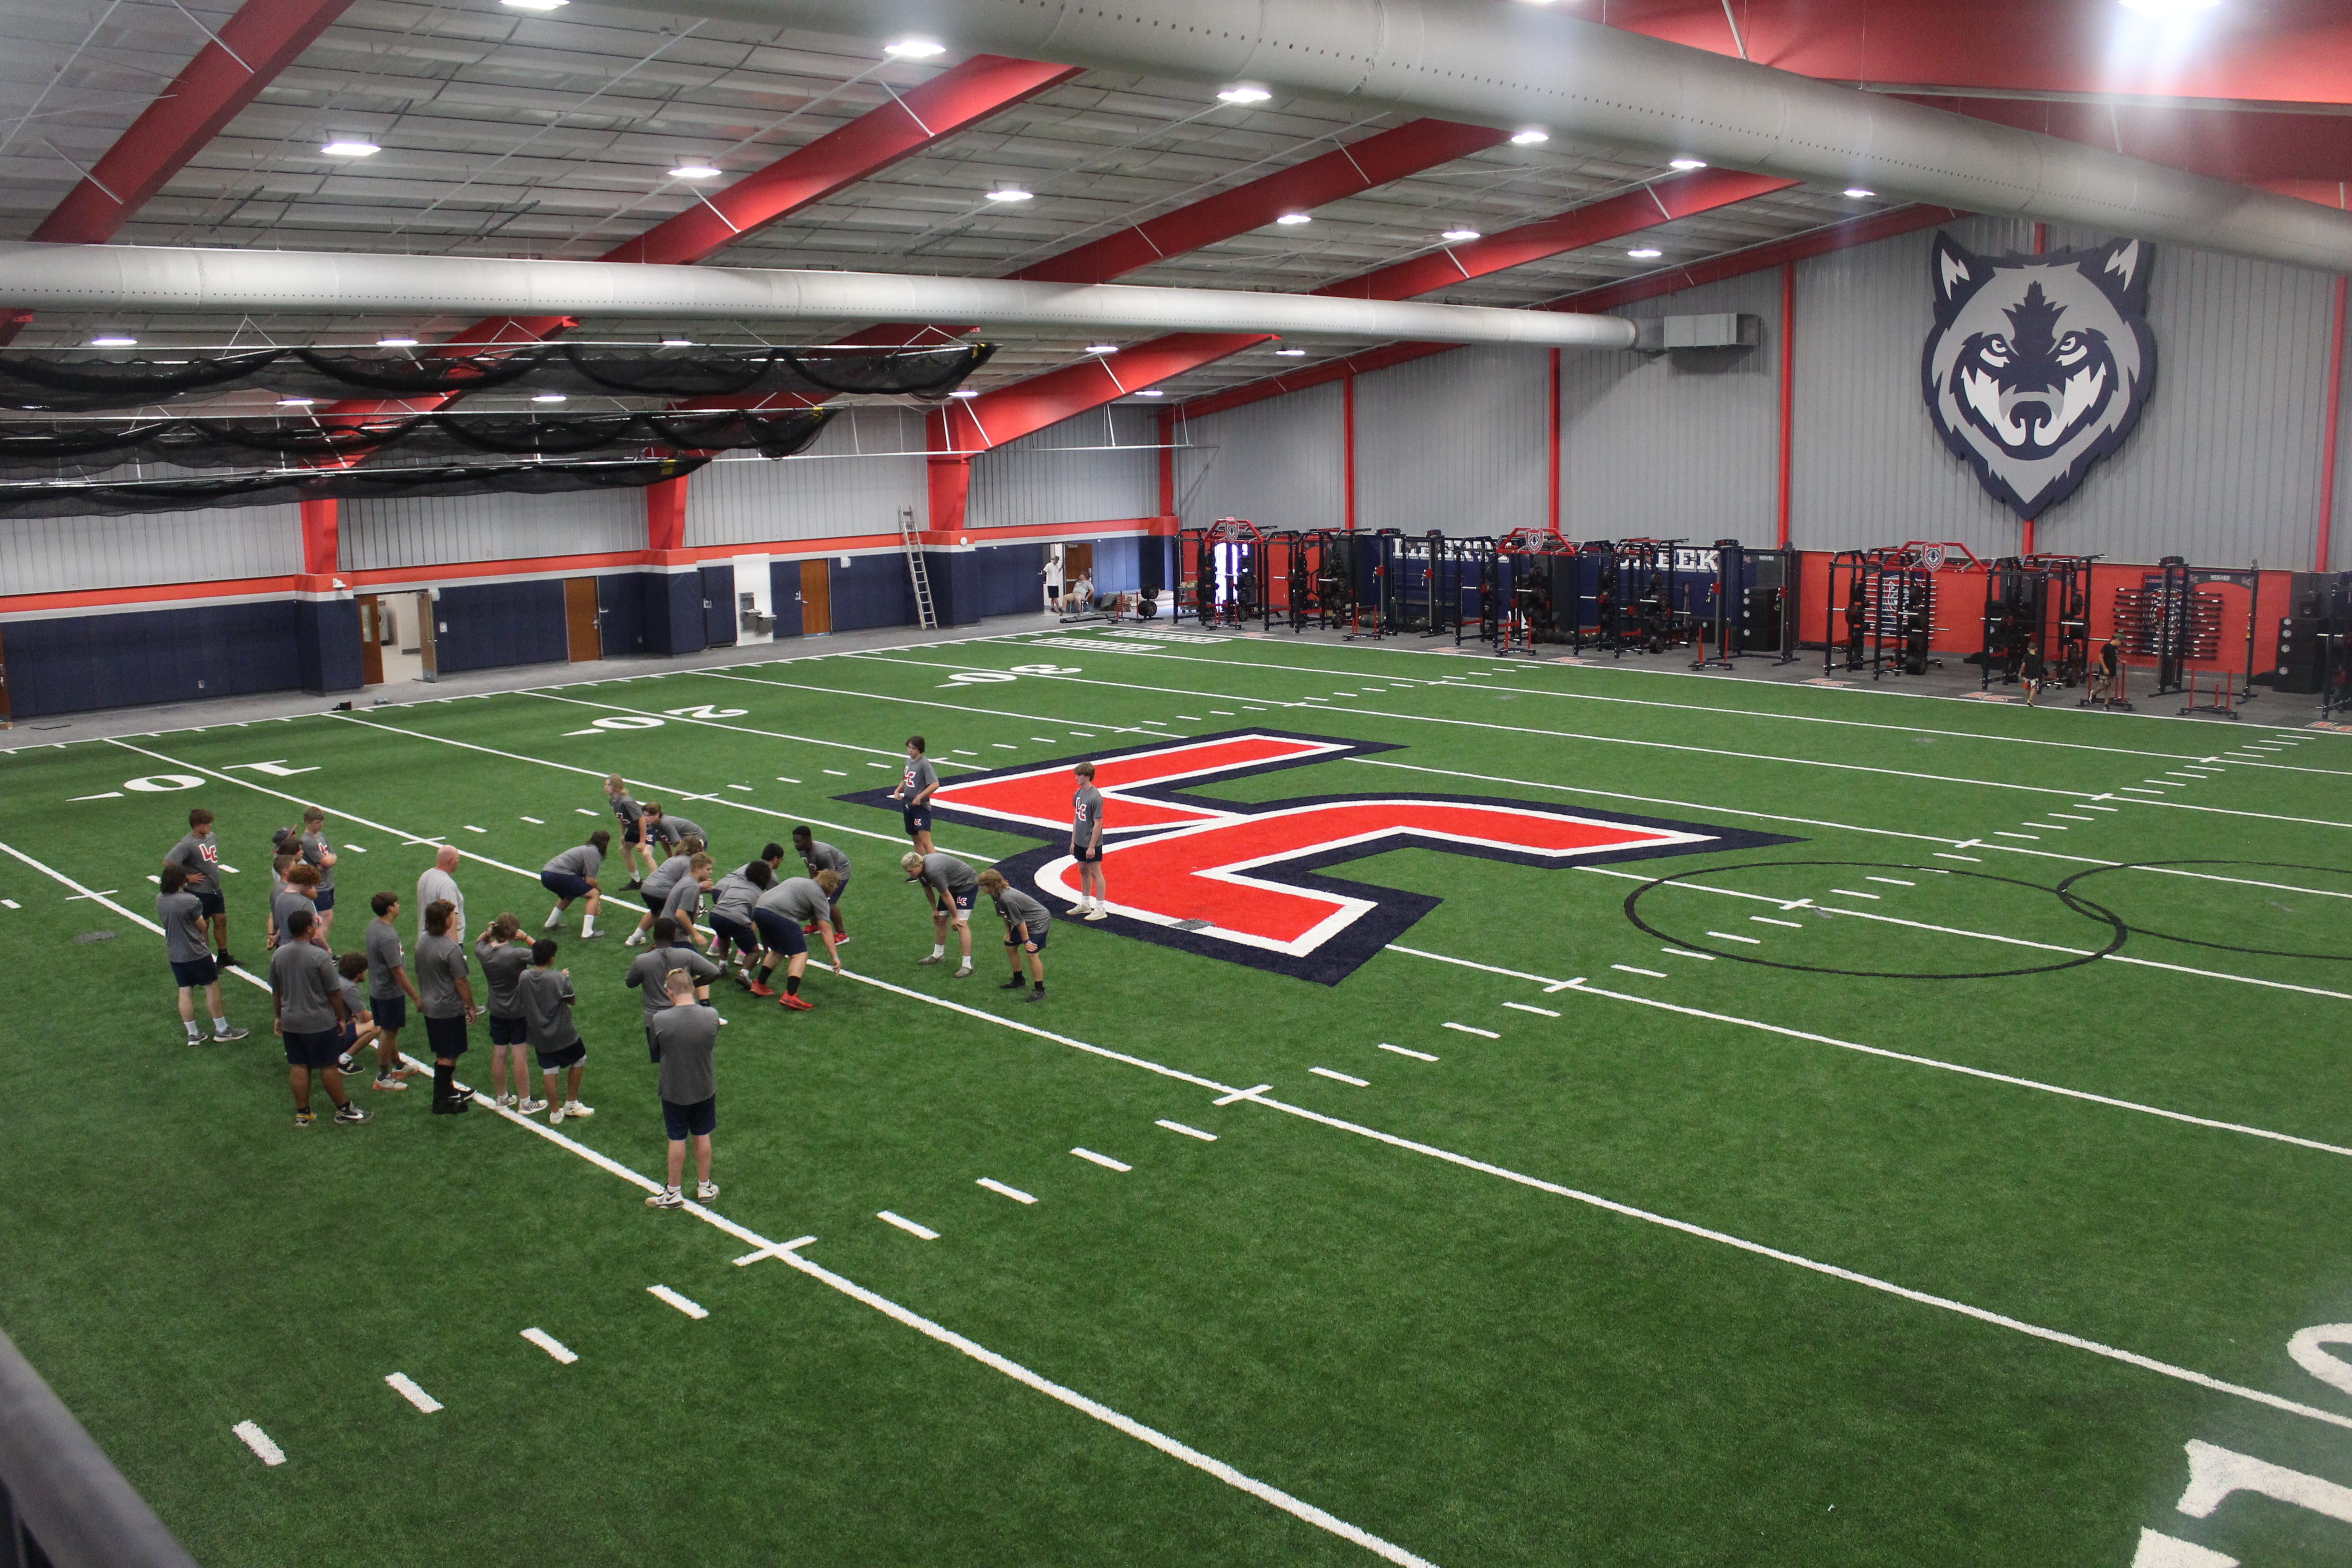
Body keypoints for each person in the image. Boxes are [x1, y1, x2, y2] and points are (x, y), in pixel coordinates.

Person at [271, 908, 368, 1127]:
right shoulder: (319, 956)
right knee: (327, 1065)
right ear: (308, 929)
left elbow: (276, 990)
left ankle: (303, 1114)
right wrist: (340, 1019)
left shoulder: (279, 954)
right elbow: (334, 993)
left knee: (299, 1064)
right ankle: (344, 1109)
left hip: (291, 1019)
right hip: (318, 1021)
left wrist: (279, 1016)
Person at [646, 968, 721, 1210]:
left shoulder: (660, 1020)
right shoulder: (711, 1015)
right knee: (703, 1134)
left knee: (677, 1137)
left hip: (674, 1088)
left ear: (670, 993)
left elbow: (656, 1051)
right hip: (703, 1086)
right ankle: (705, 1186)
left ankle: (673, 1192)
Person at [157, 866, 247, 1044]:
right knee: (211, 986)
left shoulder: (160, 899)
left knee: (185, 990)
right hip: (196, 952)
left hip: (175, 953)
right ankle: (222, 1029)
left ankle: (193, 1033)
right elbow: (202, 927)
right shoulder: (189, 900)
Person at [517, 939, 592, 1125]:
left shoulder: (524, 976)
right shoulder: (559, 979)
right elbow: (572, 1000)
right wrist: (564, 977)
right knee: (579, 1059)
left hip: (538, 1034)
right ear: (552, 959)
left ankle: (555, 1112)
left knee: (549, 1069)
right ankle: (571, 1104)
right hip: (562, 1032)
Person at [475, 913, 544, 1113]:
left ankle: (502, 1098)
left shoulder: (484, 952)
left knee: (499, 1053)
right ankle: (525, 1101)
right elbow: (543, 954)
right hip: (518, 1011)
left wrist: (487, 933)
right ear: (513, 934)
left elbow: (479, 941)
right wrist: (527, 938)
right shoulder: (517, 954)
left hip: (496, 1010)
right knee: (519, 1056)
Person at [626, 916, 721, 1057]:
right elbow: (714, 972)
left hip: (656, 1021)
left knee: (664, 1061)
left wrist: (645, 954)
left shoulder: (643, 960)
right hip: (685, 1016)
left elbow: (630, 982)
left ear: (654, 935)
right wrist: (692, 985)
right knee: (688, 1058)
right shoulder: (687, 955)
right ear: (674, 935)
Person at [415, 897, 476, 1116]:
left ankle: (448, 1091)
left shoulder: (422, 943)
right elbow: (461, 981)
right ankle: (440, 1101)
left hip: (430, 1005)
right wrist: (470, 1006)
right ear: (445, 920)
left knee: (443, 1051)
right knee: (449, 1055)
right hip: (448, 1008)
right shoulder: (451, 949)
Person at [750, 869, 843, 1007]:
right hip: (781, 915)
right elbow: (826, 929)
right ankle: (790, 995)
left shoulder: (798, 880)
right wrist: (835, 957)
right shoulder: (820, 896)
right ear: (831, 887)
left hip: (760, 910)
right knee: (800, 955)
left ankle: (759, 985)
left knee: (778, 950)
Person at [363, 892, 423, 1092]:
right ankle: (383, 1077)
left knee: (391, 1031)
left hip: (377, 988)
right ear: (390, 908)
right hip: (389, 992)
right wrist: (415, 998)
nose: (399, 906)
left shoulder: (374, 926)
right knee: (388, 1033)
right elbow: (397, 970)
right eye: (396, 904)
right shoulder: (388, 936)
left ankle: (398, 1064)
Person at [164, 807, 237, 970]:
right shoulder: (186, 844)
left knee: (221, 920)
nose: (210, 826)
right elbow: (168, 863)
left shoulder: (211, 837)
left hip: (214, 888)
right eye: (206, 823)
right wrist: (187, 878)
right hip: (198, 891)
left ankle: (223, 955)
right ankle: (206, 960)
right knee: (203, 925)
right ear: (197, 825)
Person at [978, 869, 1050, 1003]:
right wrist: (1009, 933)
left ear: (991, 885)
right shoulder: (996, 895)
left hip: (1038, 921)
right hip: (1025, 920)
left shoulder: (1007, 899)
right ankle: (1019, 979)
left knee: (1032, 953)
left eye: (982, 885)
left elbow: (1020, 921)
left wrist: (1027, 941)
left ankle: (1040, 990)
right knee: (1010, 946)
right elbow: (1004, 914)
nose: (980, 887)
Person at [902, 849, 975, 977]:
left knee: (961, 924)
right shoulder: (921, 870)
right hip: (951, 885)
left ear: (919, 866)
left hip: (966, 884)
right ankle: (938, 954)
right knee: (941, 919)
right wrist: (934, 909)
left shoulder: (933, 870)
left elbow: (945, 894)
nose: (909, 874)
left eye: (910, 871)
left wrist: (956, 917)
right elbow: (927, 888)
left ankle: (967, 965)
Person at [626, 834, 704, 947]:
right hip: (661, 892)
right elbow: (686, 884)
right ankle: (682, 941)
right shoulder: (689, 863)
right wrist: (701, 886)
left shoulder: (675, 858)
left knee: (655, 912)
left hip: (647, 888)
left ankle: (634, 938)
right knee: (682, 914)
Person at [333, 952, 392, 1088]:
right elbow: (364, 1017)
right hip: (334, 1032)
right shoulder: (349, 988)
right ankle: (343, 1060)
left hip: (330, 1026)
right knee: (377, 1025)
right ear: (358, 973)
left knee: (355, 1021)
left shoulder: (337, 980)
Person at [706, 859, 771, 984]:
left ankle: (723, 964)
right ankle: (744, 974)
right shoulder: (760, 895)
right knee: (753, 952)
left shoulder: (735, 883)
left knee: (723, 935)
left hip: (716, 915)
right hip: (737, 919)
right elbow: (753, 918)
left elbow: (720, 898)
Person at [539, 830, 609, 939]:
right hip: (559, 874)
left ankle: (550, 924)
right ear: (605, 844)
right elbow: (590, 881)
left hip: (546, 874)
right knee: (594, 894)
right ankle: (587, 932)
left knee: (570, 894)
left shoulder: (586, 849)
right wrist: (599, 893)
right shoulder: (594, 853)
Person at [792, 827, 852, 941]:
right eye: (795, 842)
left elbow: (831, 875)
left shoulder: (822, 853)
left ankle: (842, 934)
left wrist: (823, 891)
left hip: (840, 872)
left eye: (799, 842)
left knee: (828, 902)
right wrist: (813, 885)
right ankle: (815, 926)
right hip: (824, 871)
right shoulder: (802, 850)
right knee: (812, 895)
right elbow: (811, 867)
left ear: (808, 839)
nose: (796, 845)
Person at [1068, 761, 1107, 921]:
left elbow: (1098, 823)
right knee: (1083, 869)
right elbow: (1077, 818)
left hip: (1091, 842)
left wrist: (1092, 846)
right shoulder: (1078, 793)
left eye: (1080, 775)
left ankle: (1100, 908)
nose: (1077, 778)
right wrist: (1073, 841)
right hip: (1080, 840)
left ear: (1088, 776)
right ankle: (1085, 903)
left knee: (1095, 872)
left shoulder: (1095, 797)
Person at [890, 735, 939, 856]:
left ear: (920, 749)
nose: (910, 750)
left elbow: (935, 784)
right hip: (908, 804)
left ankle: (936, 865)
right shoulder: (908, 761)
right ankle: (921, 866)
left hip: (920, 807)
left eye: (913, 748)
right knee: (916, 840)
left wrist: (920, 797)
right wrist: (897, 790)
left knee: (925, 841)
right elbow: (906, 780)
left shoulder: (924, 763)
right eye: (909, 747)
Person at [605, 774, 657, 888]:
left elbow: (642, 819)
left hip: (646, 829)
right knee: (624, 849)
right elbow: (621, 818)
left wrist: (642, 841)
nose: (606, 787)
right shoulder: (613, 800)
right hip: (634, 829)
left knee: (646, 854)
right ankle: (636, 880)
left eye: (609, 785)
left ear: (616, 786)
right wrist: (622, 834)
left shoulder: (626, 801)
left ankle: (658, 883)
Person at [659, 853, 716, 951]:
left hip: (665, 930)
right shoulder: (692, 887)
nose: (711, 872)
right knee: (695, 964)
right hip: (674, 934)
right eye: (708, 869)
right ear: (698, 869)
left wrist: (704, 890)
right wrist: (696, 935)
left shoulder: (687, 880)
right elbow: (681, 914)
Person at [299, 807, 339, 941]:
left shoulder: (321, 837)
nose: (321, 825)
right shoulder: (307, 841)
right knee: (324, 918)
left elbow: (332, 857)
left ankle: (321, 947)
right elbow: (326, 860)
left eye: (321, 822)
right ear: (308, 822)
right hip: (319, 885)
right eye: (317, 822)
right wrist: (328, 861)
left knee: (328, 917)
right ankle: (319, 948)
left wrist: (328, 861)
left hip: (328, 882)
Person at [416, 846, 465, 948]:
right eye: (457, 859)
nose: (458, 862)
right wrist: (454, 949)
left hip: (425, 939)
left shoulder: (426, 875)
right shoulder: (447, 885)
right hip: (443, 944)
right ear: (451, 861)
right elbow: (450, 916)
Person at [274, 864, 325, 957]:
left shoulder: (280, 898)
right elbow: (316, 936)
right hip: (303, 953)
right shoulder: (305, 903)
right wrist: (327, 950)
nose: (311, 888)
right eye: (310, 885)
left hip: (283, 950)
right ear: (304, 883)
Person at [264, 845, 296, 949]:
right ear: (286, 871)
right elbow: (284, 917)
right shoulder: (283, 891)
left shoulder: (280, 888)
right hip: (287, 940)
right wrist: (275, 936)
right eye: (294, 866)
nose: (297, 868)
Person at [2020, 638, 2048, 707]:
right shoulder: (2038, 657)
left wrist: (2021, 672)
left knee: (2027, 687)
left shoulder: (2026, 656)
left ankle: (2028, 699)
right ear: (2036, 649)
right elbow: (2040, 667)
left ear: (2028, 649)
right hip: (2035, 675)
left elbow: (2024, 665)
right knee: (2034, 688)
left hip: (2027, 674)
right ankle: (2030, 699)